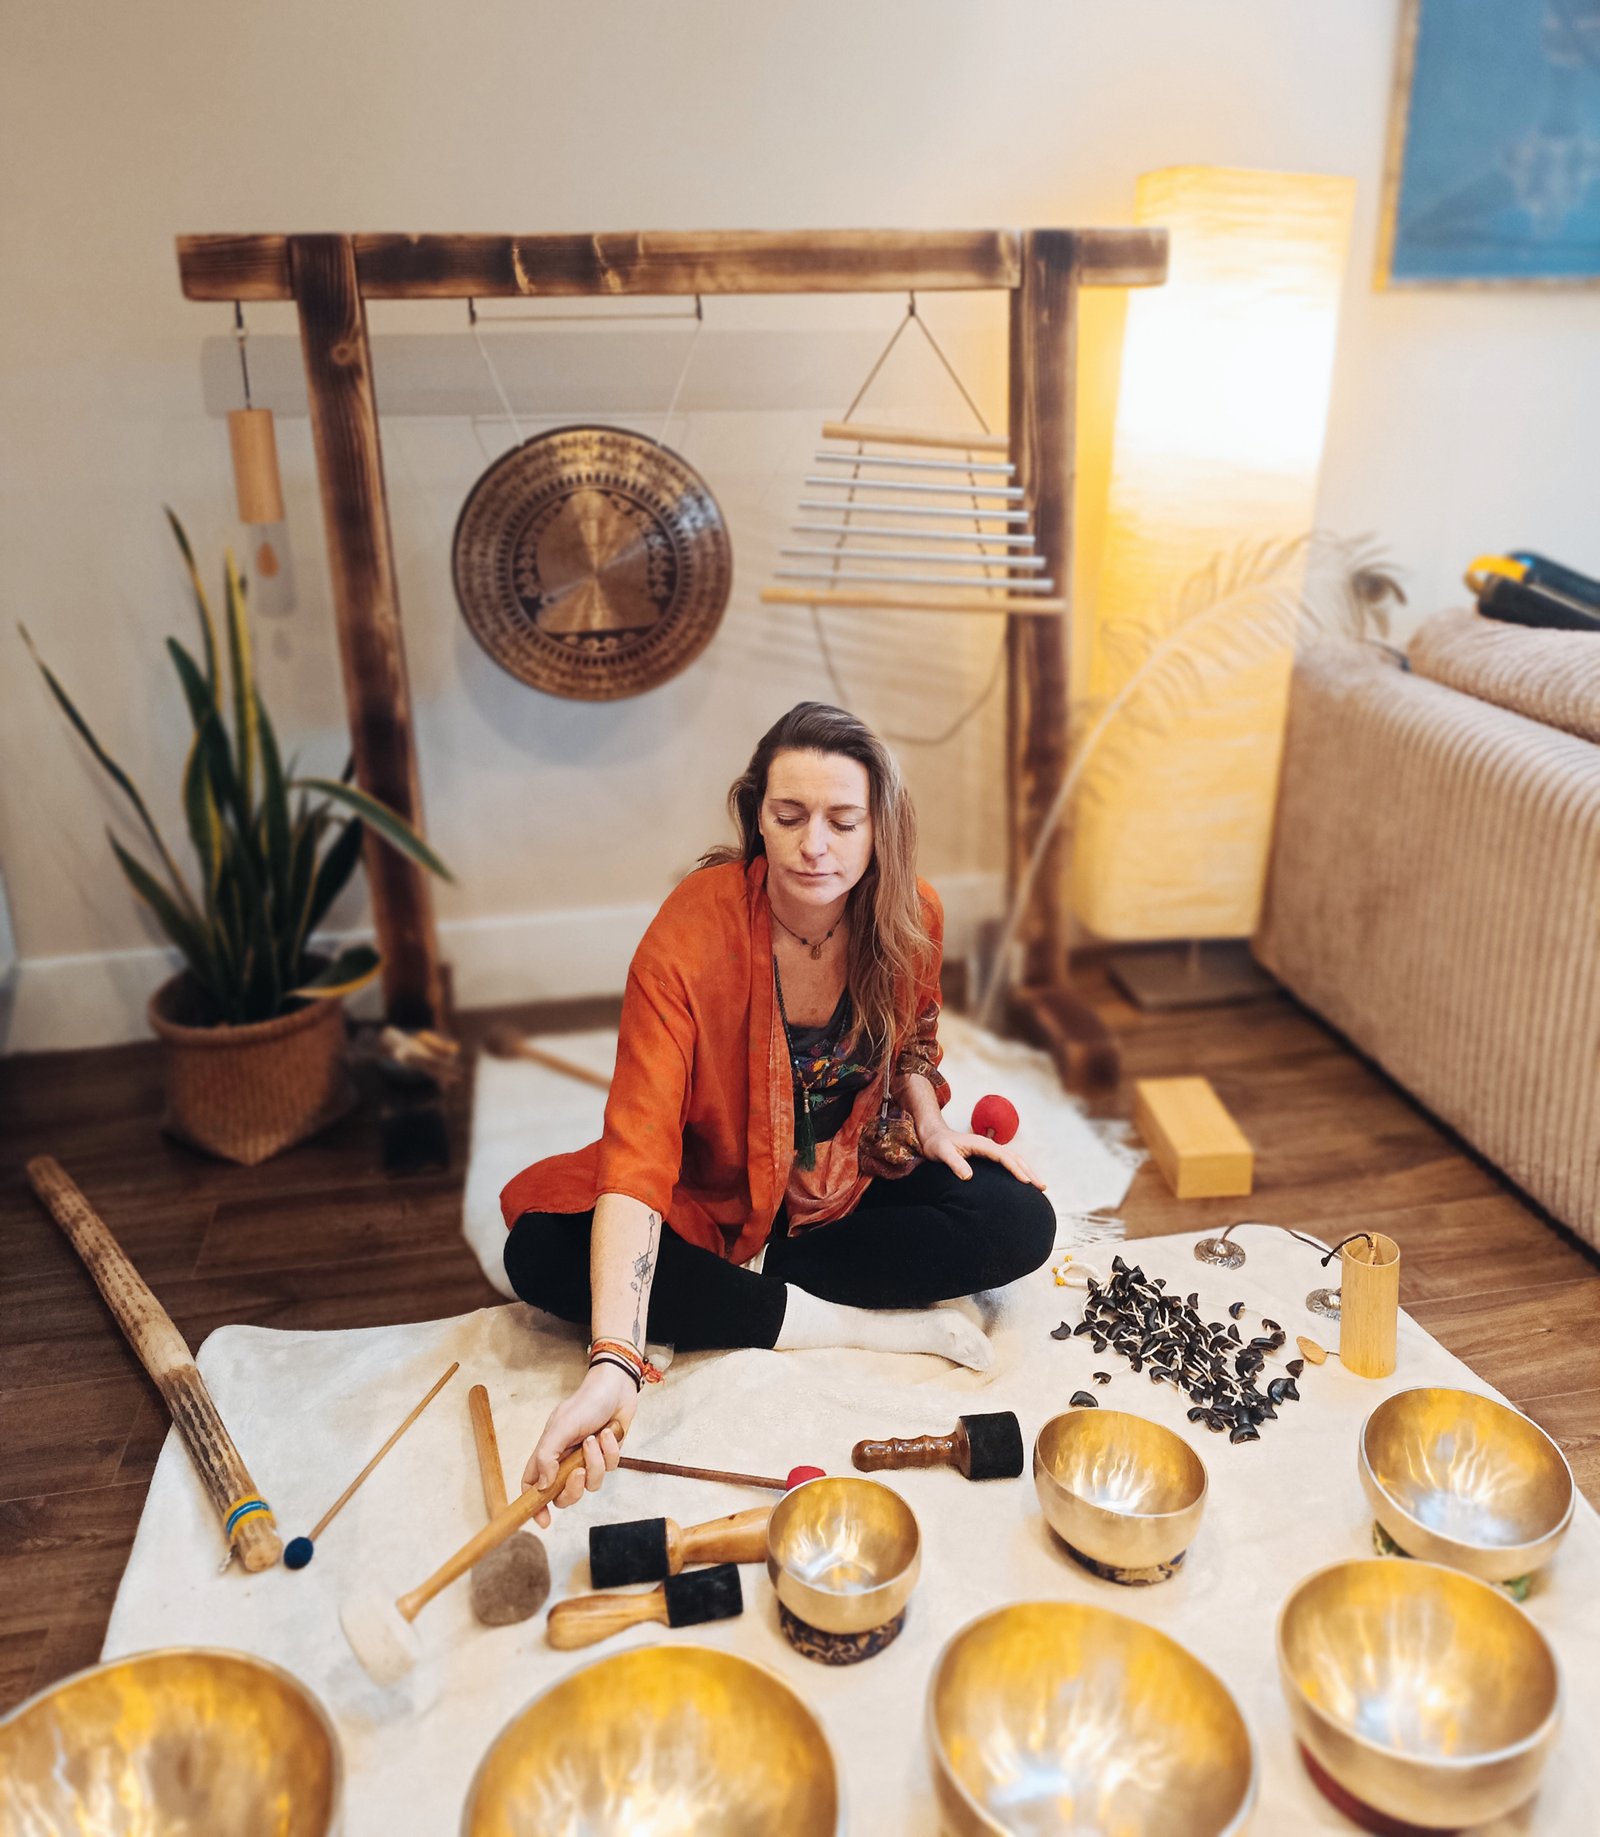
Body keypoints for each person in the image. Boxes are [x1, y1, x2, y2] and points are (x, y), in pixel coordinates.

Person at [501, 702, 1055, 1521]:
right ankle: (855, 1324)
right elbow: (640, 1150)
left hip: (839, 1182)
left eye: (842, 820)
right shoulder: (690, 933)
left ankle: (734, 1295)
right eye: (788, 816)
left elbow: (913, 1035)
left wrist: (930, 1123)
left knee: (1020, 1221)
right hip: (713, 1188)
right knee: (541, 1250)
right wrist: (614, 1359)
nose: (814, 846)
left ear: (879, 828)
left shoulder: (912, 913)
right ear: (756, 814)